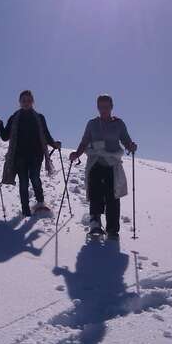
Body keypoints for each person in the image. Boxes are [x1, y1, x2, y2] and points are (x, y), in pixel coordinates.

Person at [69, 94, 137, 239]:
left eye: (106, 107)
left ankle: (112, 229)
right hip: (95, 162)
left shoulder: (118, 123)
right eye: (101, 107)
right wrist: (77, 153)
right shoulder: (92, 123)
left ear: (111, 107)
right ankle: (95, 224)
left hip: (112, 164)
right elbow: (85, 141)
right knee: (95, 193)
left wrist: (131, 146)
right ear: (97, 107)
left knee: (113, 195)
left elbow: (126, 140)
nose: (103, 109)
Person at [0, 90, 61, 216]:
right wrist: (0, 126)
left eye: (28, 100)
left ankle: (40, 203)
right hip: (19, 155)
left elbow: (46, 135)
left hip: (36, 154)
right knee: (23, 181)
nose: (26, 103)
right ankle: (25, 210)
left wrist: (54, 144)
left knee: (35, 177)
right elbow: (5, 136)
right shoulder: (14, 117)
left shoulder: (39, 118)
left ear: (33, 102)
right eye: (24, 100)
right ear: (20, 102)